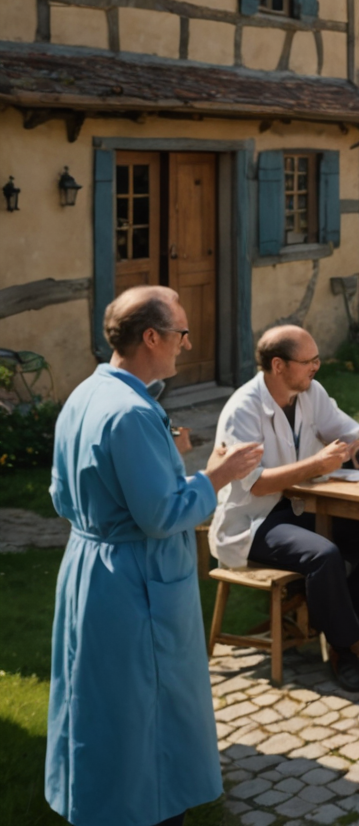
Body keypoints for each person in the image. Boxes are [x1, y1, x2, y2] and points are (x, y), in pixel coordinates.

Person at [46, 288, 265, 826]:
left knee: (95, 704)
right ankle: (144, 812)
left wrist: (171, 463)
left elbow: (62, 493)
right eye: (180, 333)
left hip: (90, 568)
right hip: (134, 581)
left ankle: (94, 803)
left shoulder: (86, 394)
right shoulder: (131, 413)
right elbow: (162, 516)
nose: (185, 345)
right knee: (146, 711)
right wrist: (218, 474)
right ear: (151, 337)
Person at [212, 326, 359, 691]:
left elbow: (348, 433)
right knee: (324, 554)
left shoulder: (309, 392)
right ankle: (344, 648)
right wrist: (316, 465)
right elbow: (256, 483)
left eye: (317, 360)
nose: (316, 368)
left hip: (304, 507)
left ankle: (342, 615)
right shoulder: (243, 410)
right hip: (254, 520)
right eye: (308, 361)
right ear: (278, 365)